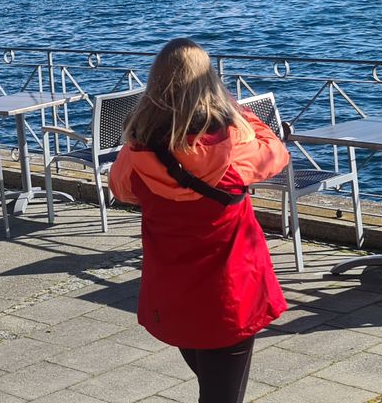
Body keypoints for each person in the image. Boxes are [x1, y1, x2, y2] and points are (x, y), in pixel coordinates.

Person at [108, 38, 290, 403]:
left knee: (211, 384)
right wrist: (243, 114)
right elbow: (277, 155)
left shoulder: (138, 151)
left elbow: (121, 189)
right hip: (230, 292)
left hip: (173, 291)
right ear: (209, 83)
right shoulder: (234, 144)